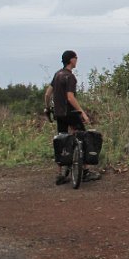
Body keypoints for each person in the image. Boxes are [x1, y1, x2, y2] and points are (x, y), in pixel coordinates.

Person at [44, 50, 101, 184]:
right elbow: (70, 97)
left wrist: (47, 108)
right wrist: (82, 112)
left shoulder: (57, 74)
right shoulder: (70, 77)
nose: (77, 60)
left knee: (62, 140)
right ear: (71, 60)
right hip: (70, 113)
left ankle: (60, 174)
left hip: (59, 114)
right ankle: (85, 171)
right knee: (83, 136)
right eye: (76, 58)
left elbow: (47, 94)